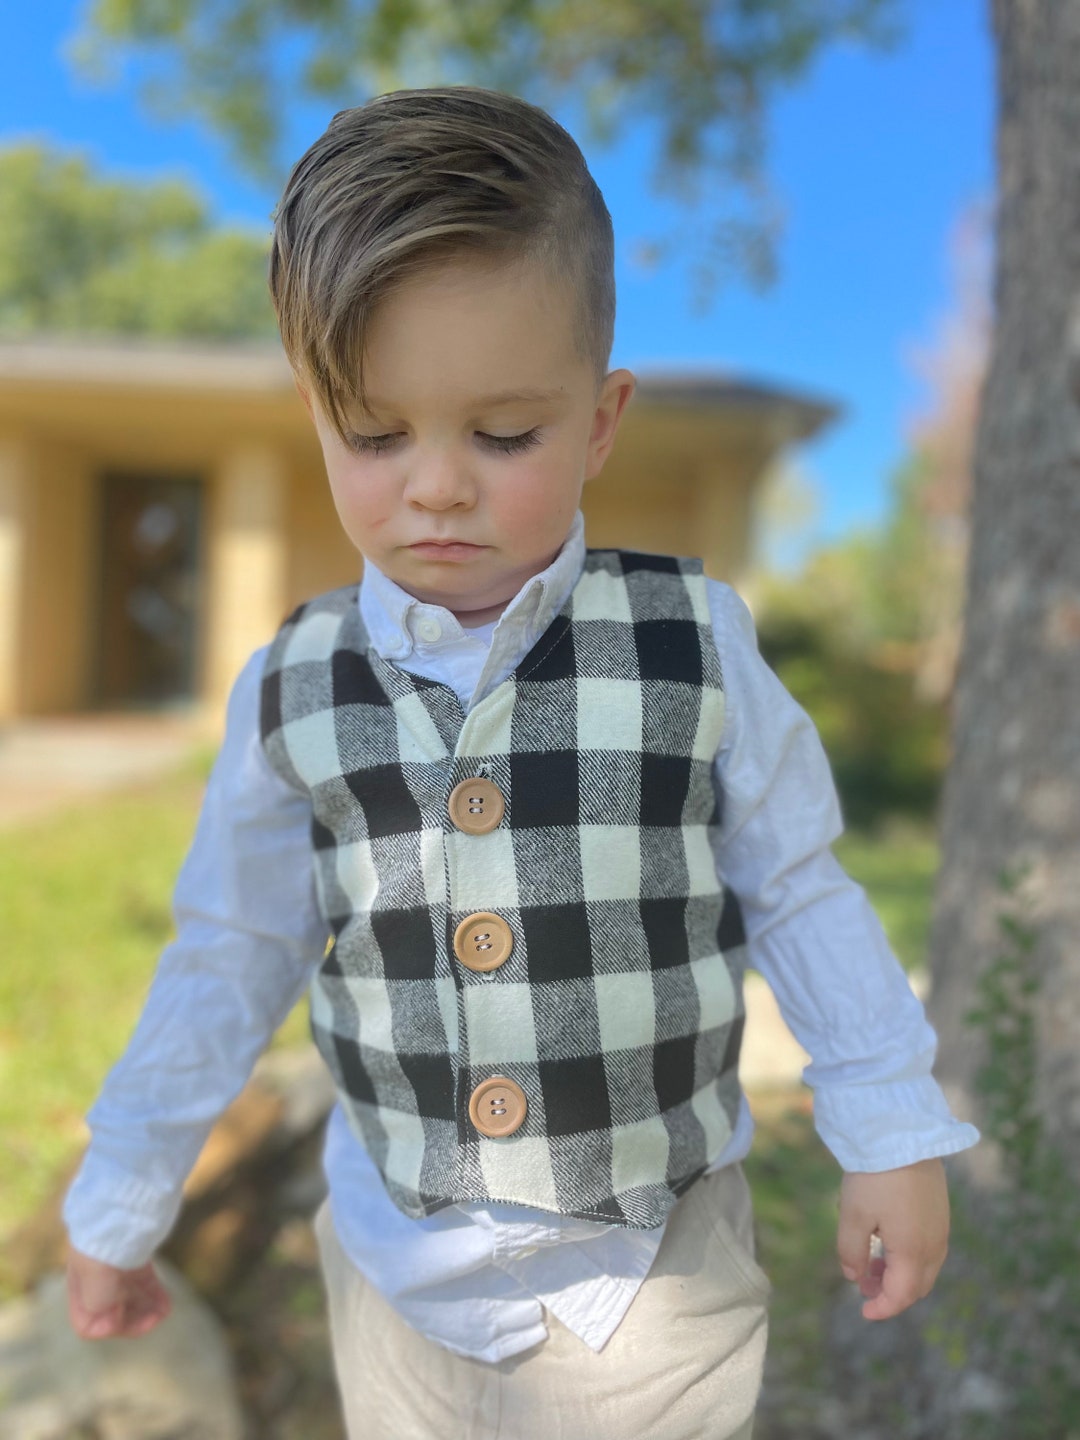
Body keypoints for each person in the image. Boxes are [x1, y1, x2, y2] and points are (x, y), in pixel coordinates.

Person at [63, 86, 979, 1439]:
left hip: (655, 1279)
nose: (436, 485)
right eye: (375, 435)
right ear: (318, 416)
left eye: (504, 436)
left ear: (601, 421)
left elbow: (798, 888)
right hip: (398, 1283)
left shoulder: (692, 642)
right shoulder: (295, 683)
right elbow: (227, 951)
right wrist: (126, 1194)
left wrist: (892, 1128)